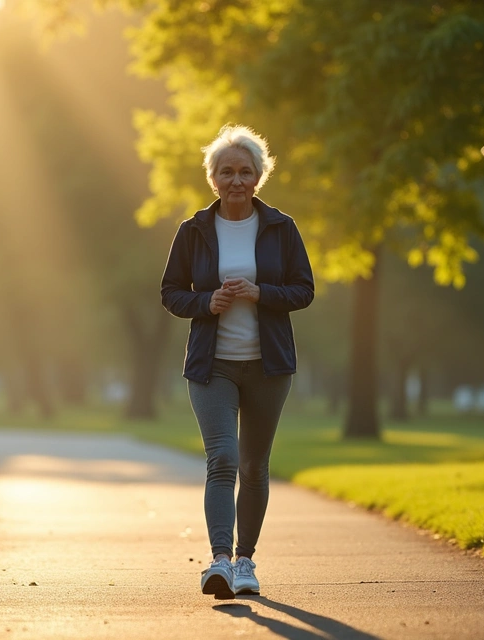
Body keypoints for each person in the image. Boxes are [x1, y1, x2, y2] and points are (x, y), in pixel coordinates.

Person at [159, 124, 315, 600]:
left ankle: (247, 560)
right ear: (213, 178)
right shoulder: (194, 231)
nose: (236, 180)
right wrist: (207, 303)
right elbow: (170, 293)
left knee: (254, 465)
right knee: (222, 459)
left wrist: (260, 293)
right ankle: (220, 561)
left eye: (245, 171)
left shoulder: (281, 228)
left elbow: (304, 290)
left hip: (269, 367)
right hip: (213, 366)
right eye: (226, 171)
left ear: (259, 177)